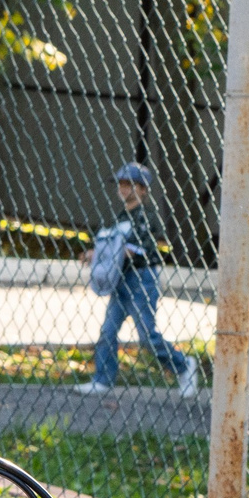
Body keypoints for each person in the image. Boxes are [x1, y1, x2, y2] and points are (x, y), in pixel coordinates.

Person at [75, 161, 197, 396]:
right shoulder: (122, 215)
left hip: (141, 278)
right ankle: (102, 379)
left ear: (142, 188)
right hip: (122, 278)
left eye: (128, 184)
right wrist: (97, 253)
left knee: (147, 336)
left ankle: (184, 365)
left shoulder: (146, 215)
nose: (122, 189)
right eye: (120, 184)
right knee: (108, 331)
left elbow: (137, 248)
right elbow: (114, 246)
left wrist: (107, 253)